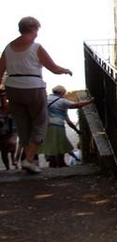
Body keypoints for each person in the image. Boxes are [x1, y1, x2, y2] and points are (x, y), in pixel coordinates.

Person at [0, 16, 73, 173]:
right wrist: (65, 70)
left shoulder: (7, 48)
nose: (37, 34)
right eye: (37, 30)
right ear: (33, 28)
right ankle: (28, 160)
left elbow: (0, 72)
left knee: (23, 125)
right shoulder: (36, 47)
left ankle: (30, 162)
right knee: (41, 122)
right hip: (33, 87)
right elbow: (53, 68)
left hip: (12, 88)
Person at [39, 85, 94, 168]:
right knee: (61, 143)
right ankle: (61, 163)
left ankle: (52, 164)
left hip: (46, 126)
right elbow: (77, 105)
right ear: (62, 93)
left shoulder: (45, 100)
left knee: (51, 145)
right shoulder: (62, 102)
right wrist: (90, 101)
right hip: (57, 125)